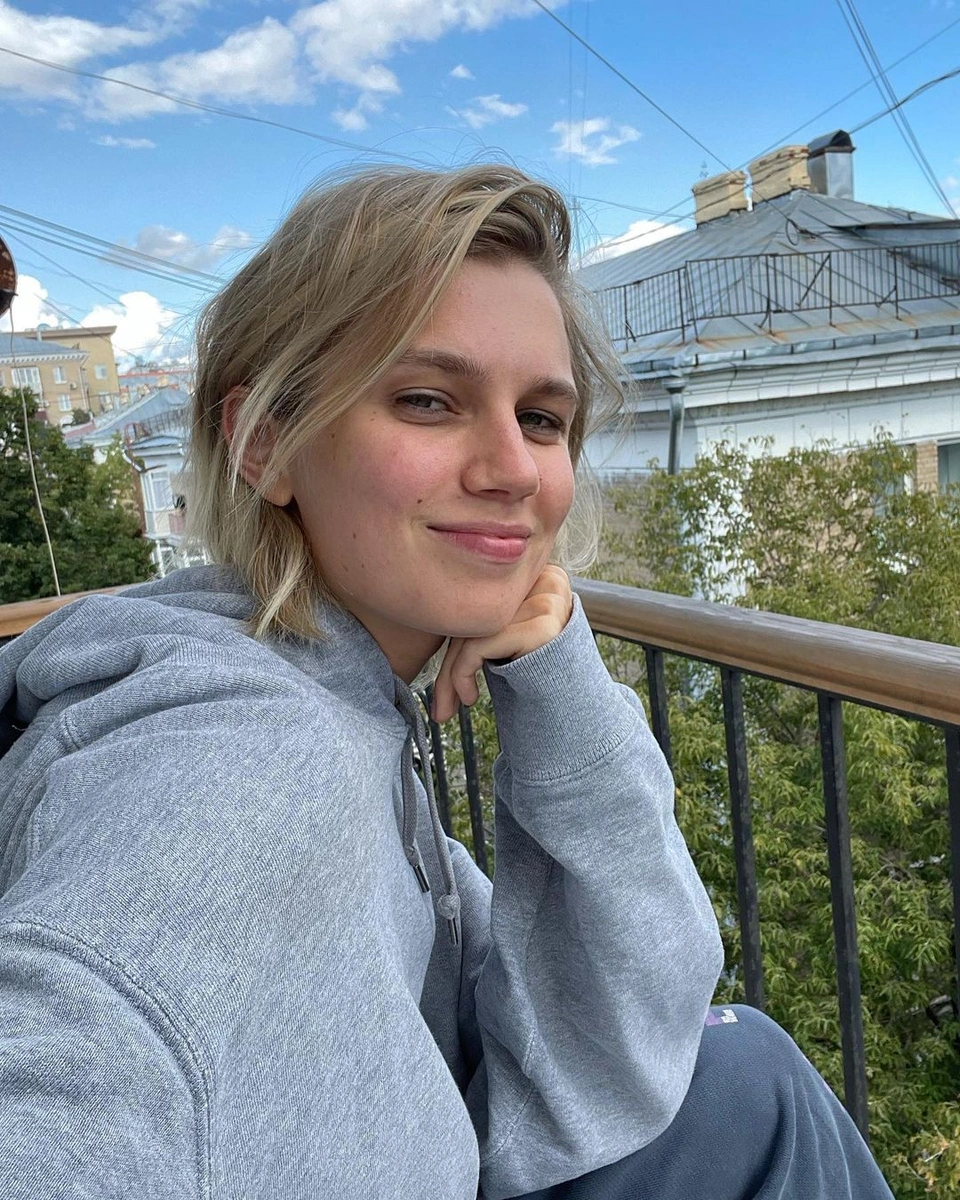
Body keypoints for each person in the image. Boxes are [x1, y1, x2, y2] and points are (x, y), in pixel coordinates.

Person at [0, 165, 893, 1199]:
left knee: (745, 1073)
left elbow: (617, 1036)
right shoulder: (247, 763)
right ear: (265, 442)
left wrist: (558, 680)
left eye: (543, 418)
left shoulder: (337, 687)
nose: (513, 469)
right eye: (428, 401)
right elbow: (71, 1087)